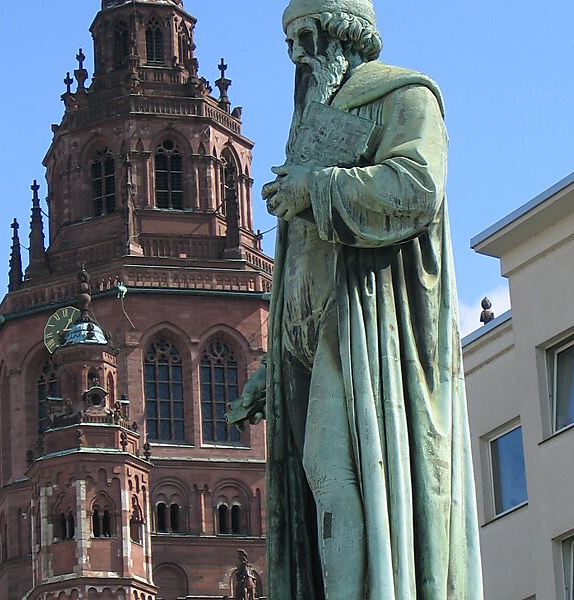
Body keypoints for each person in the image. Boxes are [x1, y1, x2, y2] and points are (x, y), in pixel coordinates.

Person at [233, 1, 483, 598]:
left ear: (346, 33)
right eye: (290, 41)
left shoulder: (405, 96)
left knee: (334, 473)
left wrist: (317, 187)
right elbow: (301, 265)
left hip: (369, 332)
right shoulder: (307, 128)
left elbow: (417, 188)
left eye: (308, 36)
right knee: (315, 485)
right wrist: (271, 368)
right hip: (308, 340)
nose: (297, 54)